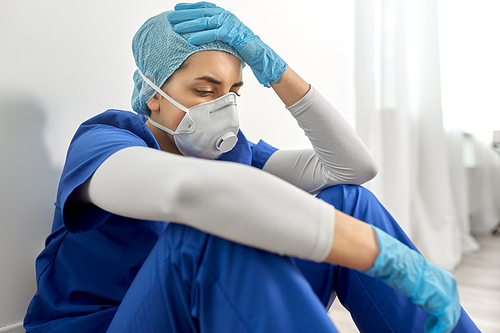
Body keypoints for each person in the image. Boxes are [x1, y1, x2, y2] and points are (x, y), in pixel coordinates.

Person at [24, 2, 479, 333]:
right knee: (209, 233)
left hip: (209, 318)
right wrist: (380, 254)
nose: (223, 106)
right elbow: (193, 196)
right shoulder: (106, 141)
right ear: (153, 96)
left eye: (233, 91)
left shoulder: (230, 154)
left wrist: (275, 68)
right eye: (205, 90)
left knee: (345, 201)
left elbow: (352, 168)